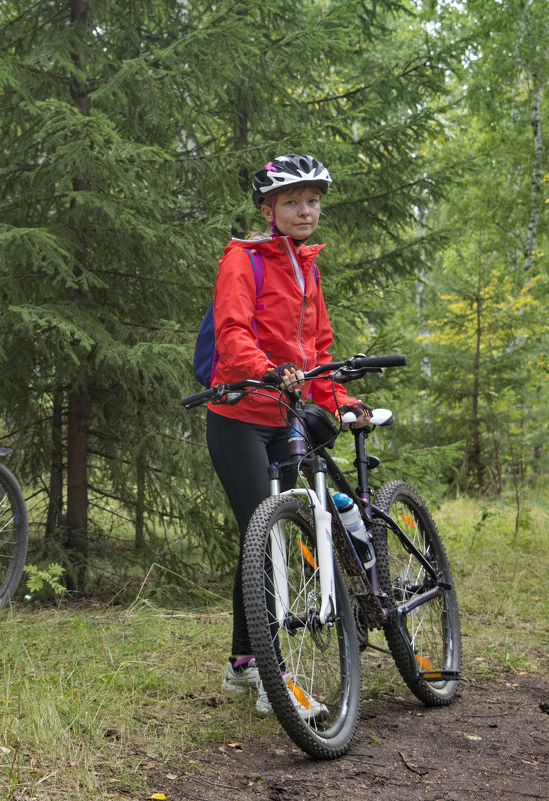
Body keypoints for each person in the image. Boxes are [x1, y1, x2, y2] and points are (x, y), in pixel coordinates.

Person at [207, 153, 371, 715]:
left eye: (314, 200)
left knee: (264, 535)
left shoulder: (308, 267)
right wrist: (267, 370)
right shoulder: (243, 260)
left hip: (286, 417)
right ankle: (271, 677)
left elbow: (318, 352)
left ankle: (241, 663)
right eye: (294, 201)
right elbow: (232, 332)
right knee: (265, 533)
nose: (307, 210)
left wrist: (341, 401)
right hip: (238, 417)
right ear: (269, 208)